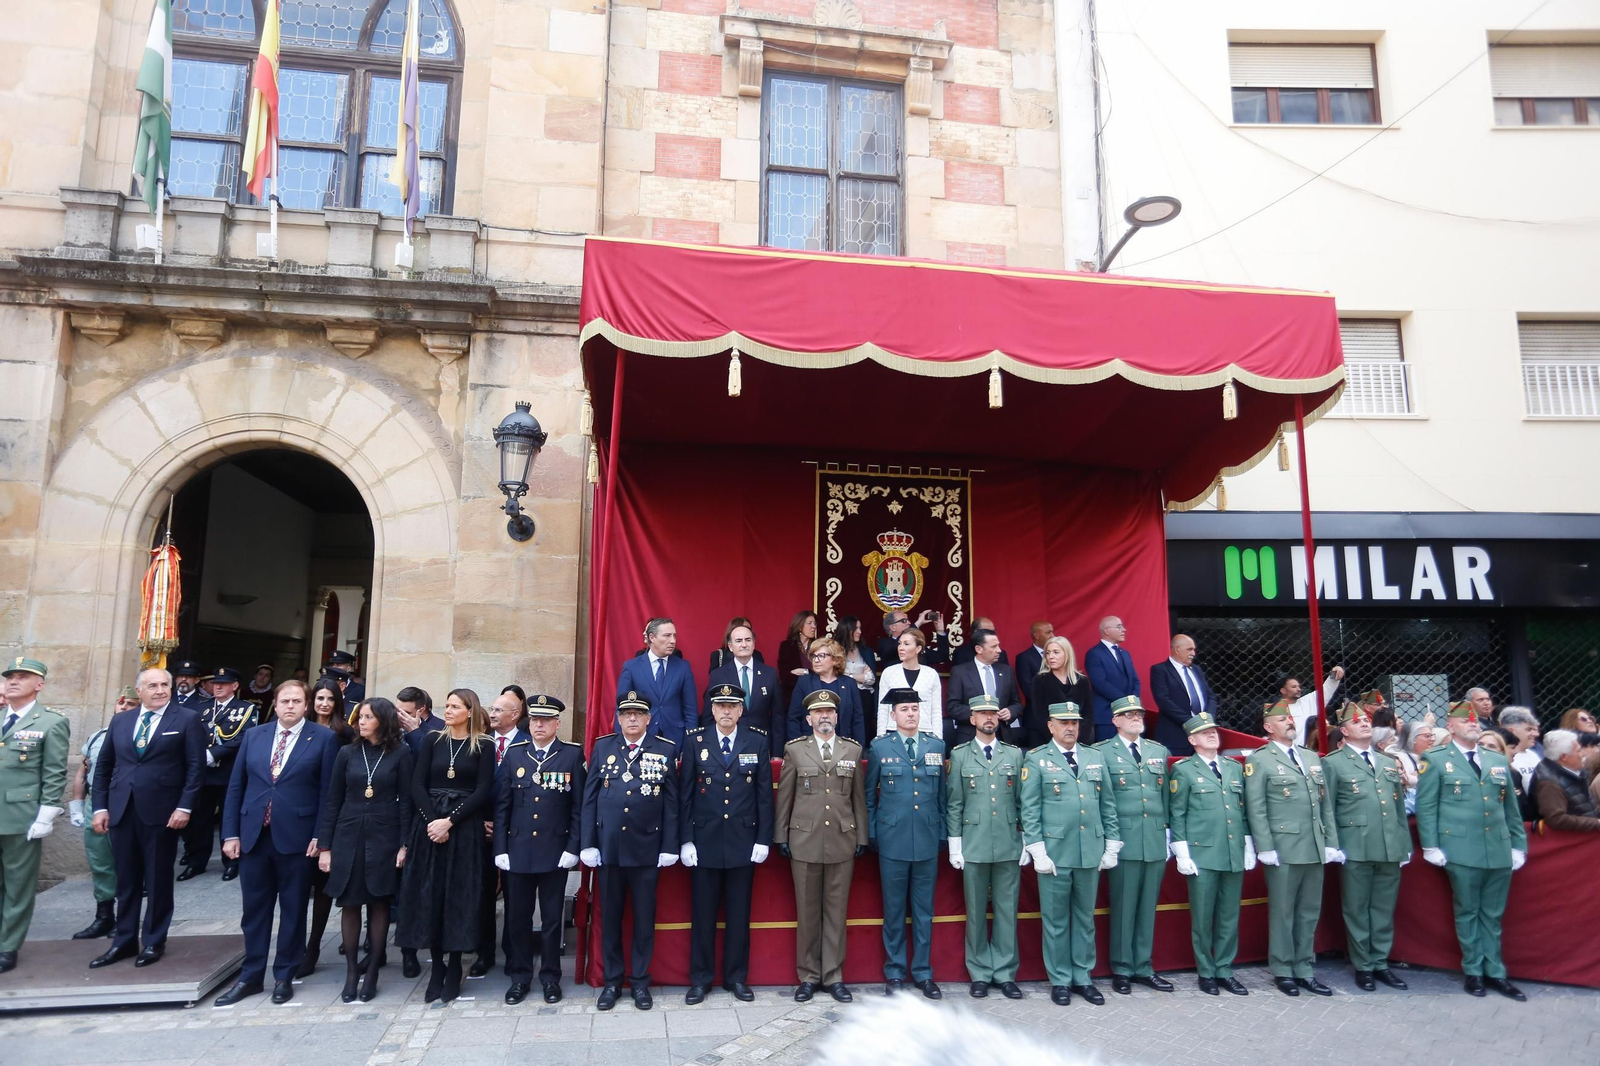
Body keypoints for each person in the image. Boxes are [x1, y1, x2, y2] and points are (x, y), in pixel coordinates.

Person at [213, 679, 339, 1005]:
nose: (290, 707)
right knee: (254, 911)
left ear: (307, 705)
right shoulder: (255, 735)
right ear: (276, 703)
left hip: (297, 839)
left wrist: (320, 837)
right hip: (254, 836)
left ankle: (285, 974)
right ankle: (251, 975)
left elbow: (328, 793)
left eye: (297, 701)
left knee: (294, 909)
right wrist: (230, 833)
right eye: (285, 701)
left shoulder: (323, 738)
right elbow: (236, 787)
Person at [90, 667, 205, 970]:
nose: (160, 690)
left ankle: (154, 940)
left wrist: (185, 807)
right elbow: (104, 767)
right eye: (152, 685)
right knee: (126, 880)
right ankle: (124, 940)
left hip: (163, 812)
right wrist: (100, 807)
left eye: (164, 684)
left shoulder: (187, 719)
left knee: (157, 879)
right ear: (138, 691)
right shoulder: (121, 720)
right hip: (122, 809)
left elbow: (195, 769)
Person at [1416, 701, 1527, 1001]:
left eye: (1475, 720)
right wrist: (1430, 845)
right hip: (1461, 848)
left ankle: (1497, 974)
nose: (1473, 723)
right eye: (1465, 721)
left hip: (1498, 848)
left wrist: (1518, 845)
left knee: (1493, 915)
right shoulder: (1436, 759)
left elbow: (1510, 808)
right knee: (1468, 912)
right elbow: (1427, 806)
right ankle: (1474, 972)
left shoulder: (1496, 760)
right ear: (1450, 726)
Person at [581, 691, 680, 1011]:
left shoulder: (664, 749)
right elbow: (590, 799)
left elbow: (671, 803)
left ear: (649, 718)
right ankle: (612, 982)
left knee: (643, 919)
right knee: (609, 918)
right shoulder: (604, 746)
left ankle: (640, 982)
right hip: (609, 849)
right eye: (627, 714)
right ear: (619, 718)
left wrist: (669, 846)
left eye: (639, 714)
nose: (633, 719)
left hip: (646, 849)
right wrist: (588, 843)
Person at [398, 688, 497, 1003]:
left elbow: (482, 790)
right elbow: (417, 784)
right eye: (448, 705)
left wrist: (450, 821)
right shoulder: (431, 741)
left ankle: (455, 965)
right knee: (430, 895)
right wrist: (432, 821)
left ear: (470, 711)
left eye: (455, 706)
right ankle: (437, 965)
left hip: (463, 829)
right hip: (429, 829)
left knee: (458, 897)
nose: (449, 710)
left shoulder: (483, 745)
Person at [679, 683, 773, 1004]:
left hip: (742, 842)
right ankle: (701, 979)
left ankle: (736, 978)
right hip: (704, 841)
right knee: (702, 915)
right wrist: (686, 840)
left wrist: (763, 838)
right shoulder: (696, 742)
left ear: (741, 710)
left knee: (738, 915)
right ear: (713, 709)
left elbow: (763, 796)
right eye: (721, 705)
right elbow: (685, 796)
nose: (727, 711)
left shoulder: (756, 741)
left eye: (732, 706)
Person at [1021, 701, 1120, 1006]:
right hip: (1055, 852)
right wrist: (1037, 850)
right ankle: (1060, 979)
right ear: (1050, 725)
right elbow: (1030, 808)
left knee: (1084, 918)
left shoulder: (1094, 756)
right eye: (1063, 722)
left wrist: (1111, 843)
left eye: (1074, 722)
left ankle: (1083, 977)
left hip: (1089, 849)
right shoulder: (1037, 759)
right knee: (1055, 920)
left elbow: (1107, 804)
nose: (1070, 727)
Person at [317, 697, 413, 1003]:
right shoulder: (347, 752)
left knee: (379, 901)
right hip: (348, 832)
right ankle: (350, 972)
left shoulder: (401, 753)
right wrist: (325, 846)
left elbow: (407, 802)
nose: (361, 721)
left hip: (384, 834)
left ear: (383, 721)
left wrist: (405, 844)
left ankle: (371, 969)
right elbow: (332, 800)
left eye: (369, 717)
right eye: (360, 716)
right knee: (350, 901)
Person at [774, 689, 867, 1004]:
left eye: (829, 712)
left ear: (837, 717)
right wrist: (781, 837)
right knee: (808, 912)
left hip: (842, 839)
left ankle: (834, 976)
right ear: (809, 718)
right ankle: (809, 976)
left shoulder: (851, 750)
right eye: (819, 712)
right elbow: (785, 797)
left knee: (837, 912)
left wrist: (862, 837)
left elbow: (858, 800)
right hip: (804, 840)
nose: (825, 716)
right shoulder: (796, 751)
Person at [1244, 698, 1339, 998]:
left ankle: (1305, 968)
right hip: (1283, 845)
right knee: (1283, 911)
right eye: (1282, 719)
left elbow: (1325, 806)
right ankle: (1283, 969)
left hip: (1313, 843)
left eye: (1291, 718)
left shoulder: (1311, 758)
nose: (1290, 722)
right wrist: (1265, 846)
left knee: (1309, 911)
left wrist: (1331, 842)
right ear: (1268, 727)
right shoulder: (1260, 759)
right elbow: (1256, 807)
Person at [494, 694, 585, 1005]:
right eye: (534, 720)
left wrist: (573, 846)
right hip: (517, 850)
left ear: (558, 724)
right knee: (516, 919)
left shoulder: (572, 755)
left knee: (551, 920)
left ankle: (550, 977)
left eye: (546, 720)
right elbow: (502, 806)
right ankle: (519, 977)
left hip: (554, 851)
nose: (539, 725)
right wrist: (500, 848)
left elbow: (578, 807)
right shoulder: (515, 754)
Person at [1320, 702, 1411, 992]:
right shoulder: (1333, 763)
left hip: (1388, 844)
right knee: (1357, 908)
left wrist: (1403, 843)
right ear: (1344, 731)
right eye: (1357, 722)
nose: (1364, 724)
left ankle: (1380, 962)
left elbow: (1397, 807)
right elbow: (1328, 808)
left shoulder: (1386, 761)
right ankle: (1363, 965)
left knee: (1383, 908)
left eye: (1367, 720)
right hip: (1355, 844)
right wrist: (1333, 844)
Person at [865, 687, 946, 999]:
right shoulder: (880, 747)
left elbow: (942, 797)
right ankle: (895, 972)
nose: (911, 714)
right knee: (894, 909)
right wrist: (872, 833)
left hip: (926, 837)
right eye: (905, 709)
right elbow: (869, 795)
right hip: (892, 839)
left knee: (924, 911)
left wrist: (942, 835)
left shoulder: (935, 745)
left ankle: (924, 973)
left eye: (914, 708)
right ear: (893, 715)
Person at [945, 694, 1025, 1000]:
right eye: (982, 713)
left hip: (1007, 841)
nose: (989, 718)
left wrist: (1027, 839)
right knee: (976, 911)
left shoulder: (1014, 755)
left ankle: (1005, 973)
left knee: (1007, 911)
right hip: (974, 843)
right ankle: (979, 971)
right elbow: (954, 804)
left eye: (993, 713)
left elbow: (1022, 802)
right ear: (973, 719)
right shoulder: (961, 754)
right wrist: (955, 844)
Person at [1168, 713, 1253, 995]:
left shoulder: (1232, 767)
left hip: (1232, 851)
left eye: (1213, 731)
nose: (1211, 735)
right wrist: (1181, 852)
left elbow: (1242, 810)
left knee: (1229, 916)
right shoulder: (1184, 770)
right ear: (1192, 740)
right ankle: (1206, 971)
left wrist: (1248, 844)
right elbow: (1177, 814)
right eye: (1204, 733)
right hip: (1202, 853)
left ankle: (1224, 970)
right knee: (1203, 917)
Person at [1093, 695, 1173, 995]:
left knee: (1147, 907)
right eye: (1128, 714)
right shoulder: (1102, 752)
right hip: (1123, 839)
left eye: (1138, 713)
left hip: (1152, 837)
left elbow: (1165, 796)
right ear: (1115, 720)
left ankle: (1144, 966)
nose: (1136, 717)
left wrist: (1166, 832)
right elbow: (1105, 801)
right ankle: (1123, 968)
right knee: (1125, 906)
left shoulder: (1158, 750)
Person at [0, 657, 70, 972]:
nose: (13, 681)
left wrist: (46, 815)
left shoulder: (51, 722)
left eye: (23, 676)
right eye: (10, 676)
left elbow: (54, 772)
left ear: (38, 685)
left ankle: (7, 946)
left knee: (18, 884)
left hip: (20, 814)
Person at [298, 677, 354, 976]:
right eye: (319, 698)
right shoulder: (299, 730)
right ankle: (296, 946)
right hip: (298, 818)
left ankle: (314, 945)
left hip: (332, 817)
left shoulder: (344, 734)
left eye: (329, 699)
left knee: (323, 890)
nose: (323, 703)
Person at [180, 666, 257, 882]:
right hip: (203, 773)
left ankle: (231, 862)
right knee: (199, 819)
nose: (218, 687)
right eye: (216, 683)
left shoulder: (245, 709)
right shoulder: (201, 708)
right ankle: (197, 862)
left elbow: (244, 737)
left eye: (223, 683)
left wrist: (214, 753)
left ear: (234, 686)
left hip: (229, 772)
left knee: (228, 817)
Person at [69, 686, 134, 942]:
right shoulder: (98, 737)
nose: (124, 708)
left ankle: (127, 918)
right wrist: (76, 802)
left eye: (131, 704)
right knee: (99, 860)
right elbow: (82, 771)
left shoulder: (141, 736)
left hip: (125, 803)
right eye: (121, 704)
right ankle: (104, 915)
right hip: (96, 802)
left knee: (127, 862)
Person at [476, 688, 530, 978]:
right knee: (483, 896)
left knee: (515, 898)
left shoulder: (527, 743)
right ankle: (483, 953)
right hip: (481, 831)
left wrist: (503, 826)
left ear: (515, 714)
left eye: (498, 710)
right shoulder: (480, 743)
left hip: (514, 832)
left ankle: (513, 953)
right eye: (492, 709)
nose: (492, 714)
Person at [393, 684, 441, 978]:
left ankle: (430, 944)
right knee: (401, 887)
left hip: (426, 814)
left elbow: (437, 763)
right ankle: (405, 950)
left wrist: (414, 731)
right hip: (395, 812)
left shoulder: (437, 729)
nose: (400, 716)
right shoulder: (392, 726)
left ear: (421, 710)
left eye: (406, 712)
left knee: (423, 885)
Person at [615, 617, 697, 748]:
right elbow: (621, 708)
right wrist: (621, 742)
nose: (673, 641)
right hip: (641, 737)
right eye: (667, 636)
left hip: (675, 738)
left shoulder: (683, 667)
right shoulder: (632, 667)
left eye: (674, 636)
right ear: (652, 637)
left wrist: (690, 743)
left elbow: (690, 710)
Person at [704, 621, 784, 743]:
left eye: (748, 640)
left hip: (762, 743)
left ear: (753, 644)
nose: (744, 644)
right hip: (730, 744)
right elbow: (709, 714)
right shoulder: (718, 675)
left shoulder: (770, 674)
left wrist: (777, 753)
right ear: (730, 647)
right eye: (738, 641)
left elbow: (778, 716)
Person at [946, 627, 1024, 748]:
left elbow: (1017, 704)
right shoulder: (960, 672)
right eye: (993, 647)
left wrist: (1011, 712)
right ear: (979, 649)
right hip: (970, 738)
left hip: (1002, 737)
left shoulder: (1006, 671)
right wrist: (978, 715)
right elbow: (952, 707)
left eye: (998, 646)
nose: (999, 650)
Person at [789, 637, 866, 746]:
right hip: (810, 748)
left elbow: (858, 719)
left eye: (821, 656)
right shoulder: (804, 682)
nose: (816, 660)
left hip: (844, 748)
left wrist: (859, 748)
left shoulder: (849, 684)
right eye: (814, 656)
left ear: (835, 659)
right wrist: (797, 748)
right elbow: (793, 718)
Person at [1148, 634, 1215, 757]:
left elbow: (1210, 696)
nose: (1194, 653)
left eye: (1194, 649)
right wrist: (1192, 723)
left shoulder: (1196, 669)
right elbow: (1164, 701)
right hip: (1175, 736)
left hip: (1203, 736)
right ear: (1177, 649)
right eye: (1189, 649)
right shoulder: (1160, 670)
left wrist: (1208, 720)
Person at [1027, 636, 1093, 749]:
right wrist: (1059, 740)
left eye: (1056, 652)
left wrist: (1077, 738)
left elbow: (1088, 714)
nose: (1050, 656)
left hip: (1079, 742)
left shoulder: (1082, 680)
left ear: (1067, 654)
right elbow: (1040, 714)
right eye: (1048, 653)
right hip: (1048, 742)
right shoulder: (1040, 680)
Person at [875, 627, 941, 740]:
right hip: (893, 732)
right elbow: (883, 709)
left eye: (906, 644)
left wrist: (938, 739)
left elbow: (936, 710)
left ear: (918, 648)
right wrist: (881, 738)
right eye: (899, 643)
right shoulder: (889, 673)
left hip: (925, 732)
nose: (901, 648)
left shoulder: (931, 674)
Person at [1084, 615, 1140, 744]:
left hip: (1130, 714)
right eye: (1119, 627)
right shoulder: (1094, 653)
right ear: (1107, 631)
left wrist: (1132, 702)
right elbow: (1100, 683)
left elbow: (1135, 680)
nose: (1124, 630)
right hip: (1107, 715)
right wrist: (1126, 702)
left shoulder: (1125, 653)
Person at [1531, 730, 1600, 831]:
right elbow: (1557, 819)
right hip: (1572, 841)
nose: (1582, 754)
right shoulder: (1549, 783)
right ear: (1564, 757)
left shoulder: (1575, 771)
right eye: (1578, 751)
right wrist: (1596, 823)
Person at [1272, 666, 1346, 749]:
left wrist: (1335, 673)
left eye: (1299, 686)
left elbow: (1326, 690)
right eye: (1294, 687)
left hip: (1311, 752)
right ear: (1283, 691)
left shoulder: (1308, 701)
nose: (1299, 689)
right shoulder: (1276, 710)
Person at [1477, 730, 1535, 821]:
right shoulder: (1465, 770)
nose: (1484, 749)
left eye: (1491, 746)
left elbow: (1519, 811)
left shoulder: (1513, 774)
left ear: (1501, 751)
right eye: (1480, 744)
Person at [834, 616, 880, 716]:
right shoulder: (835, 651)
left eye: (860, 628)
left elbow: (871, 679)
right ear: (847, 629)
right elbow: (834, 676)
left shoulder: (866, 652)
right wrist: (860, 677)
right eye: (856, 628)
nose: (859, 631)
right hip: (842, 697)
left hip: (864, 698)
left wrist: (848, 676)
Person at [875, 609, 949, 668]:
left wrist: (940, 631)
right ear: (893, 627)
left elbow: (942, 657)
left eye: (908, 620)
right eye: (904, 621)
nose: (909, 623)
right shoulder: (885, 644)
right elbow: (895, 646)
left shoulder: (917, 645)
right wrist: (917, 624)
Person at [778, 611, 820, 709]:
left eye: (814, 623)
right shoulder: (787, 646)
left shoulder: (819, 646)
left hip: (817, 695)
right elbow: (785, 677)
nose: (813, 626)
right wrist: (811, 674)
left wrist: (805, 671)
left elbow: (824, 673)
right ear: (800, 626)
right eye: (809, 623)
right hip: (793, 698)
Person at [1496, 706, 1542, 789]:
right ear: (1511, 731)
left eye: (1535, 730)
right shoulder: (1500, 758)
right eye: (1529, 729)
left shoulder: (1533, 755)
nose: (1536, 734)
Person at [1013, 621, 1053, 702]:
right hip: (1037, 710)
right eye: (1048, 632)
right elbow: (1028, 689)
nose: (1052, 636)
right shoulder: (1024, 658)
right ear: (1037, 635)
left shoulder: (1058, 655)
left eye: (1052, 632)